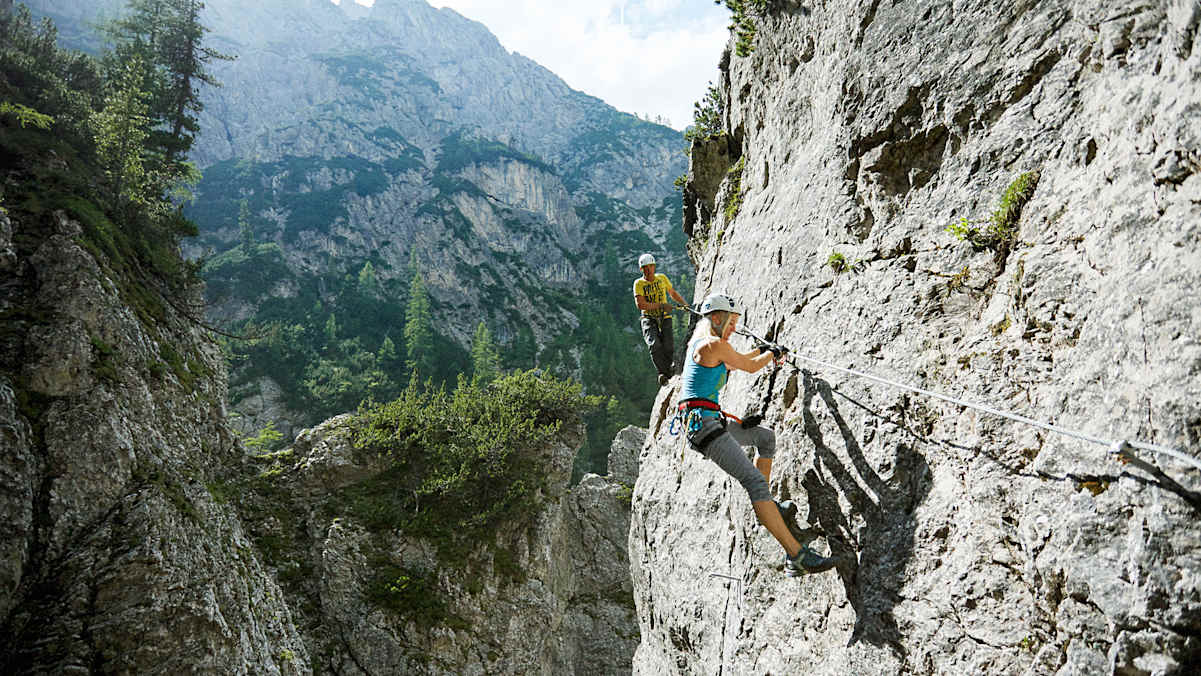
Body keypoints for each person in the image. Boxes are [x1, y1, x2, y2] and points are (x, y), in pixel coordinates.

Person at [676, 292, 835, 576]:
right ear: (716, 318)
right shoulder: (713, 344)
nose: (734, 329)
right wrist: (772, 354)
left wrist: (765, 350)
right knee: (754, 482)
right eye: (731, 323)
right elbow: (749, 366)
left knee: (765, 438)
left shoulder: (705, 344)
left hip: (706, 421)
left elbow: (738, 360)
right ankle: (796, 556)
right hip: (705, 425)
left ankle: (769, 506)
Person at [633, 253, 688, 386]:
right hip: (648, 318)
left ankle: (668, 371)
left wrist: (685, 304)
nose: (648, 270)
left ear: (654, 267)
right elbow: (640, 304)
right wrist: (661, 305)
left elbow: (672, 293)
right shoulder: (639, 284)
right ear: (641, 269)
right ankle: (663, 373)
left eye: (650, 266)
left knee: (668, 346)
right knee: (654, 345)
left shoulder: (662, 278)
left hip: (664, 316)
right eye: (645, 268)